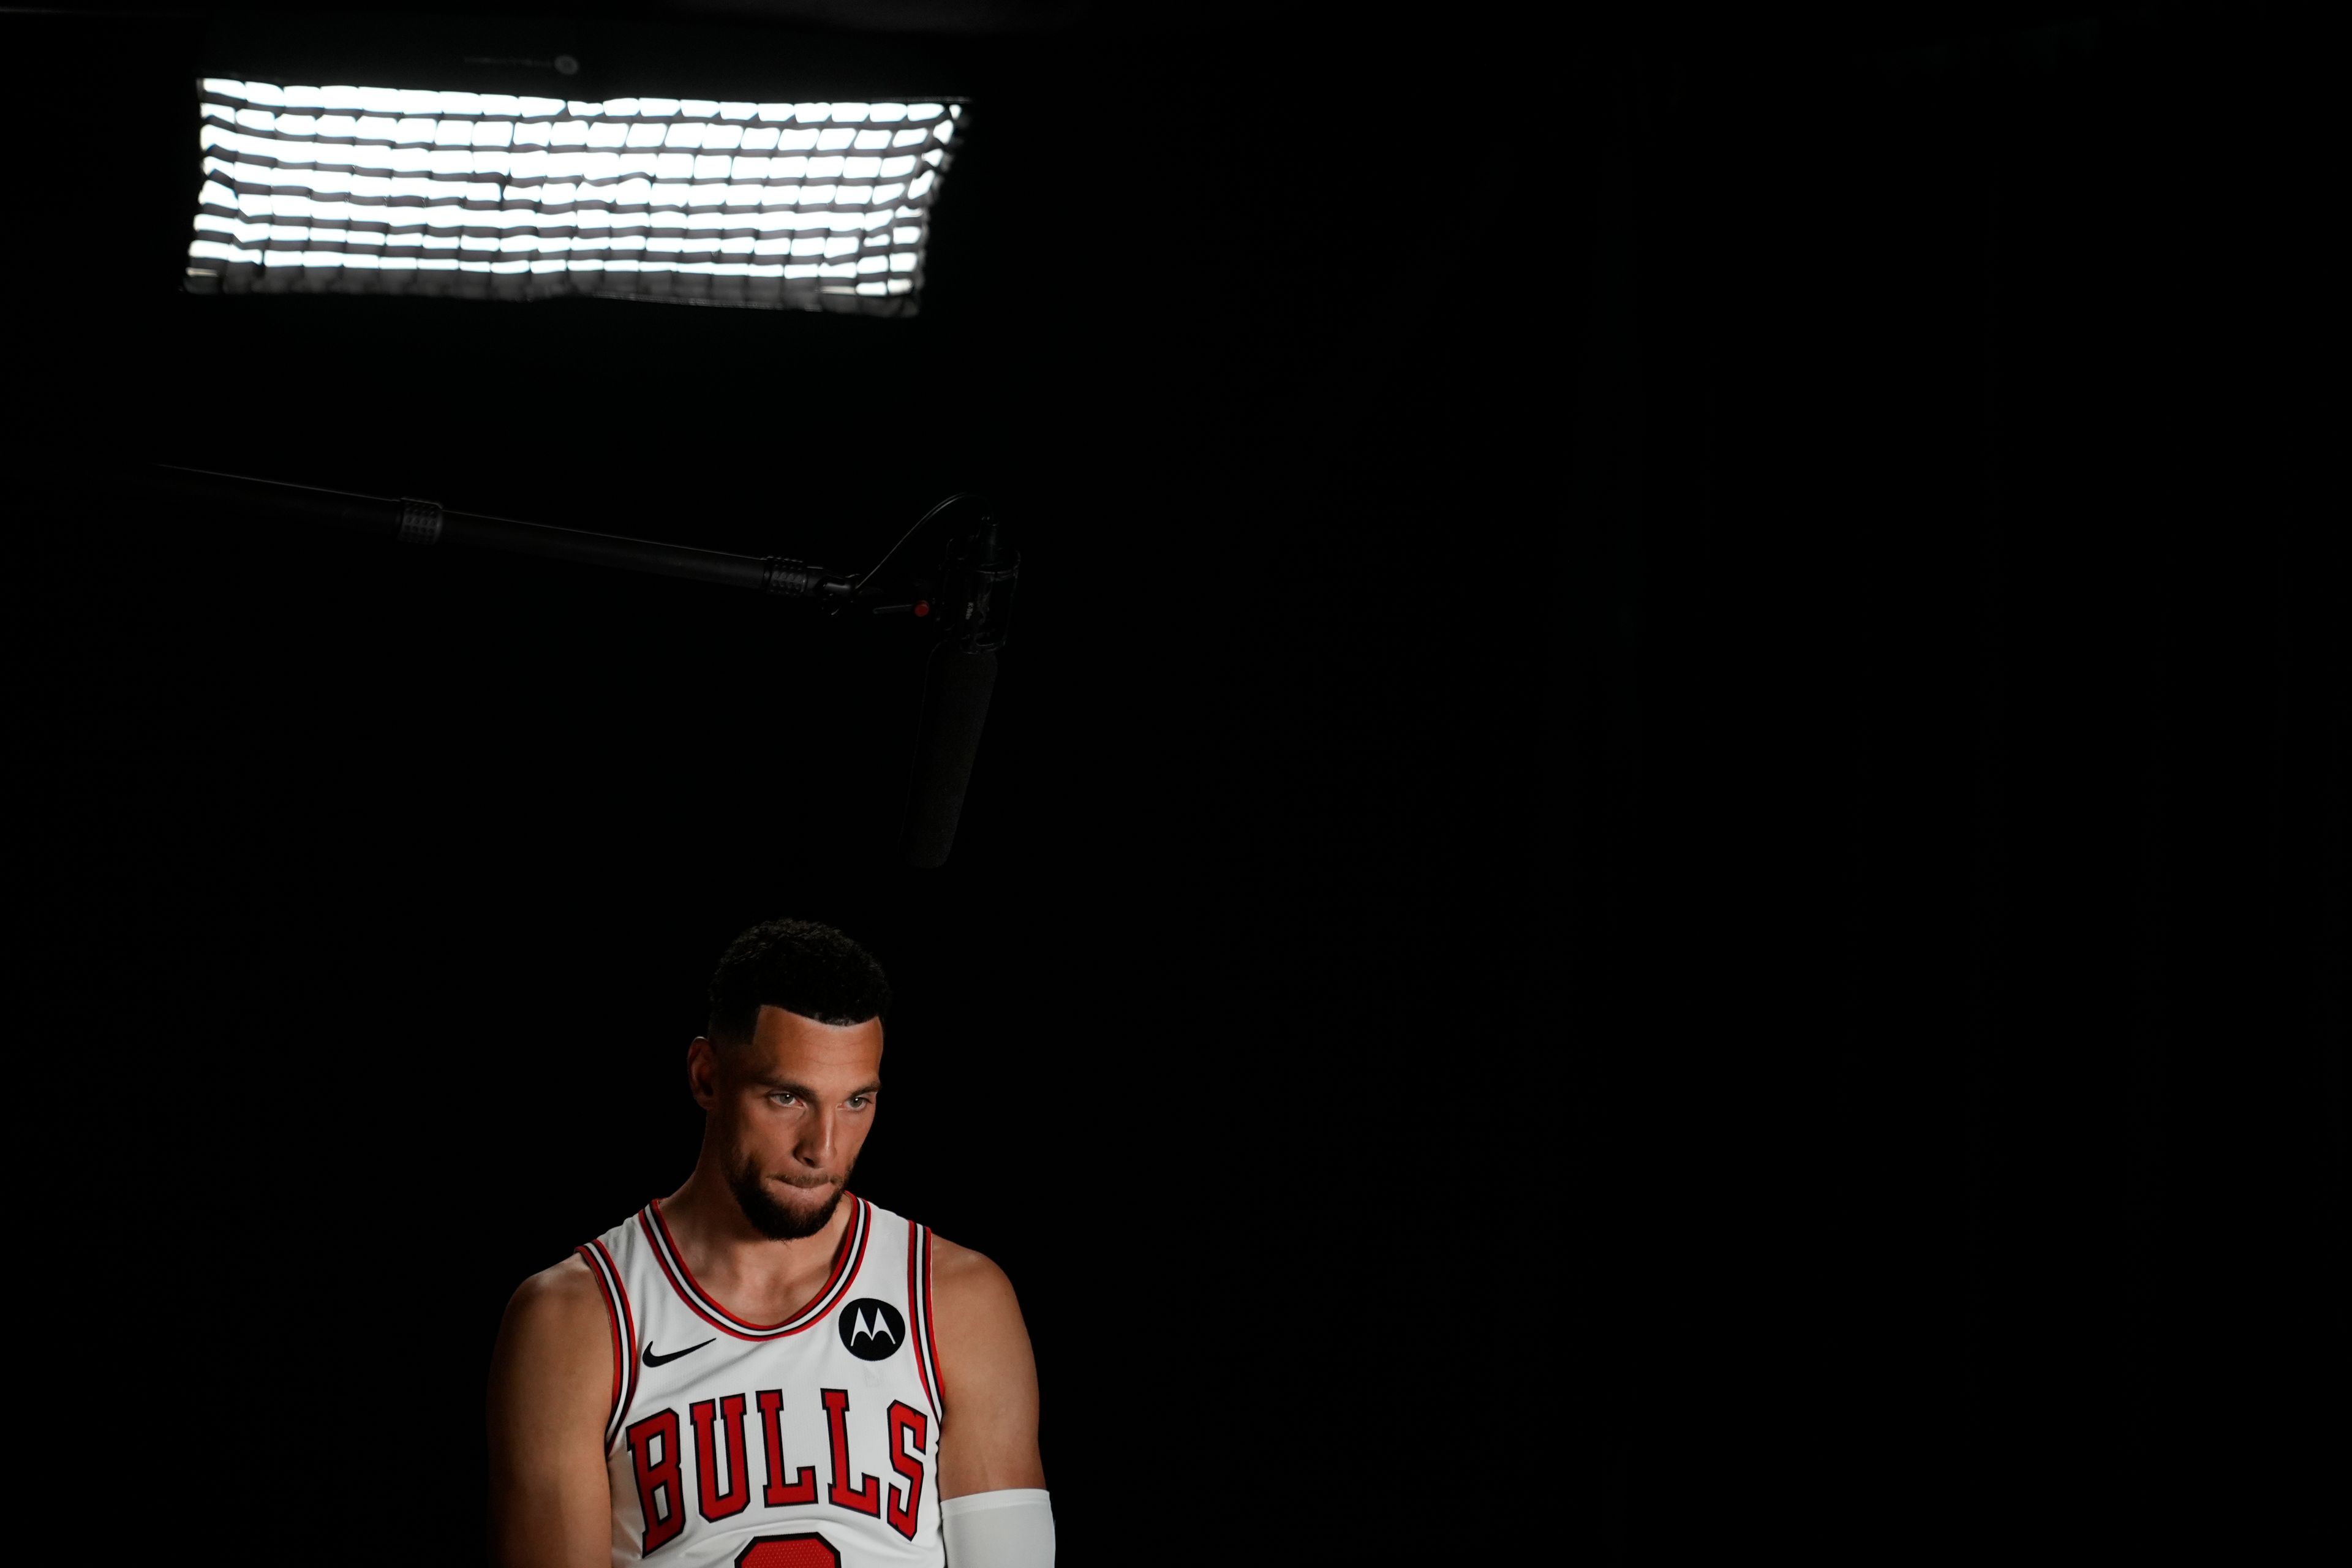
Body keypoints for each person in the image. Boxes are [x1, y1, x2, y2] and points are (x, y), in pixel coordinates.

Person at [488, 918, 1052, 1567]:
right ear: (706, 1076)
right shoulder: (574, 1319)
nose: (824, 1149)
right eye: (786, 1097)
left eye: (856, 1101)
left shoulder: (954, 1298)